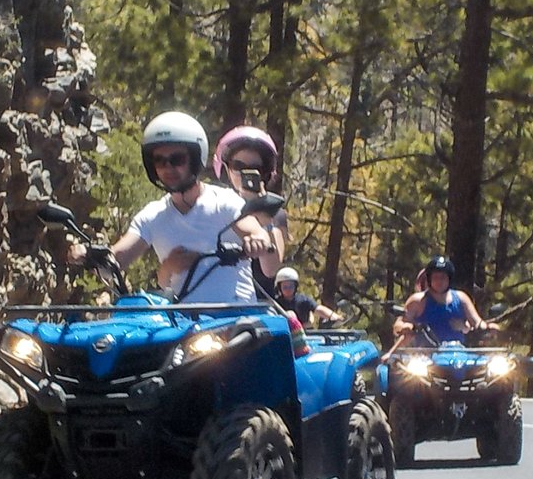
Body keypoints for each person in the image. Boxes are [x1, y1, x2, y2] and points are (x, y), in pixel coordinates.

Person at [69, 112, 279, 303]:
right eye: (159, 161)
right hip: (182, 326)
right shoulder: (152, 215)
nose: (167, 167)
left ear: (195, 159)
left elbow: (251, 227)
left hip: (235, 321)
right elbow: (117, 259)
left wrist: (258, 238)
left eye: (177, 159)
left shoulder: (224, 201)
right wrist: (87, 255)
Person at [212, 125, 287, 297]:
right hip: (215, 301)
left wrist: (262, 211)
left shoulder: (275, 211)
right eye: (238, 166)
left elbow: (271, 268)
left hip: (258, 305)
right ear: (226, 169)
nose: (245, 173)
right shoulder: (213, 205)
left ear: (265, 173)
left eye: (255, 168)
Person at [383, 255, 491, 359]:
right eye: (435, 277)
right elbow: (399, 324)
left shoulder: (461, 298)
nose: (439, 281)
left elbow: (478, 323)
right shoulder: (418, 301)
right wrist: (405, 327)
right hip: (424, 358)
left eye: (443, 277)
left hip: (459, 356)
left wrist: (485, 328)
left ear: (449, 279)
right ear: (429, 279)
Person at [274, 267, 342, 327]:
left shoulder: (303, 300)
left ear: (295, 286)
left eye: (291, 286)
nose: (288, 289)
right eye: (285, 287)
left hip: (306, 335)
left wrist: (332, 316)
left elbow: (318, 309)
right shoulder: (276, 303)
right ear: (279, 288)